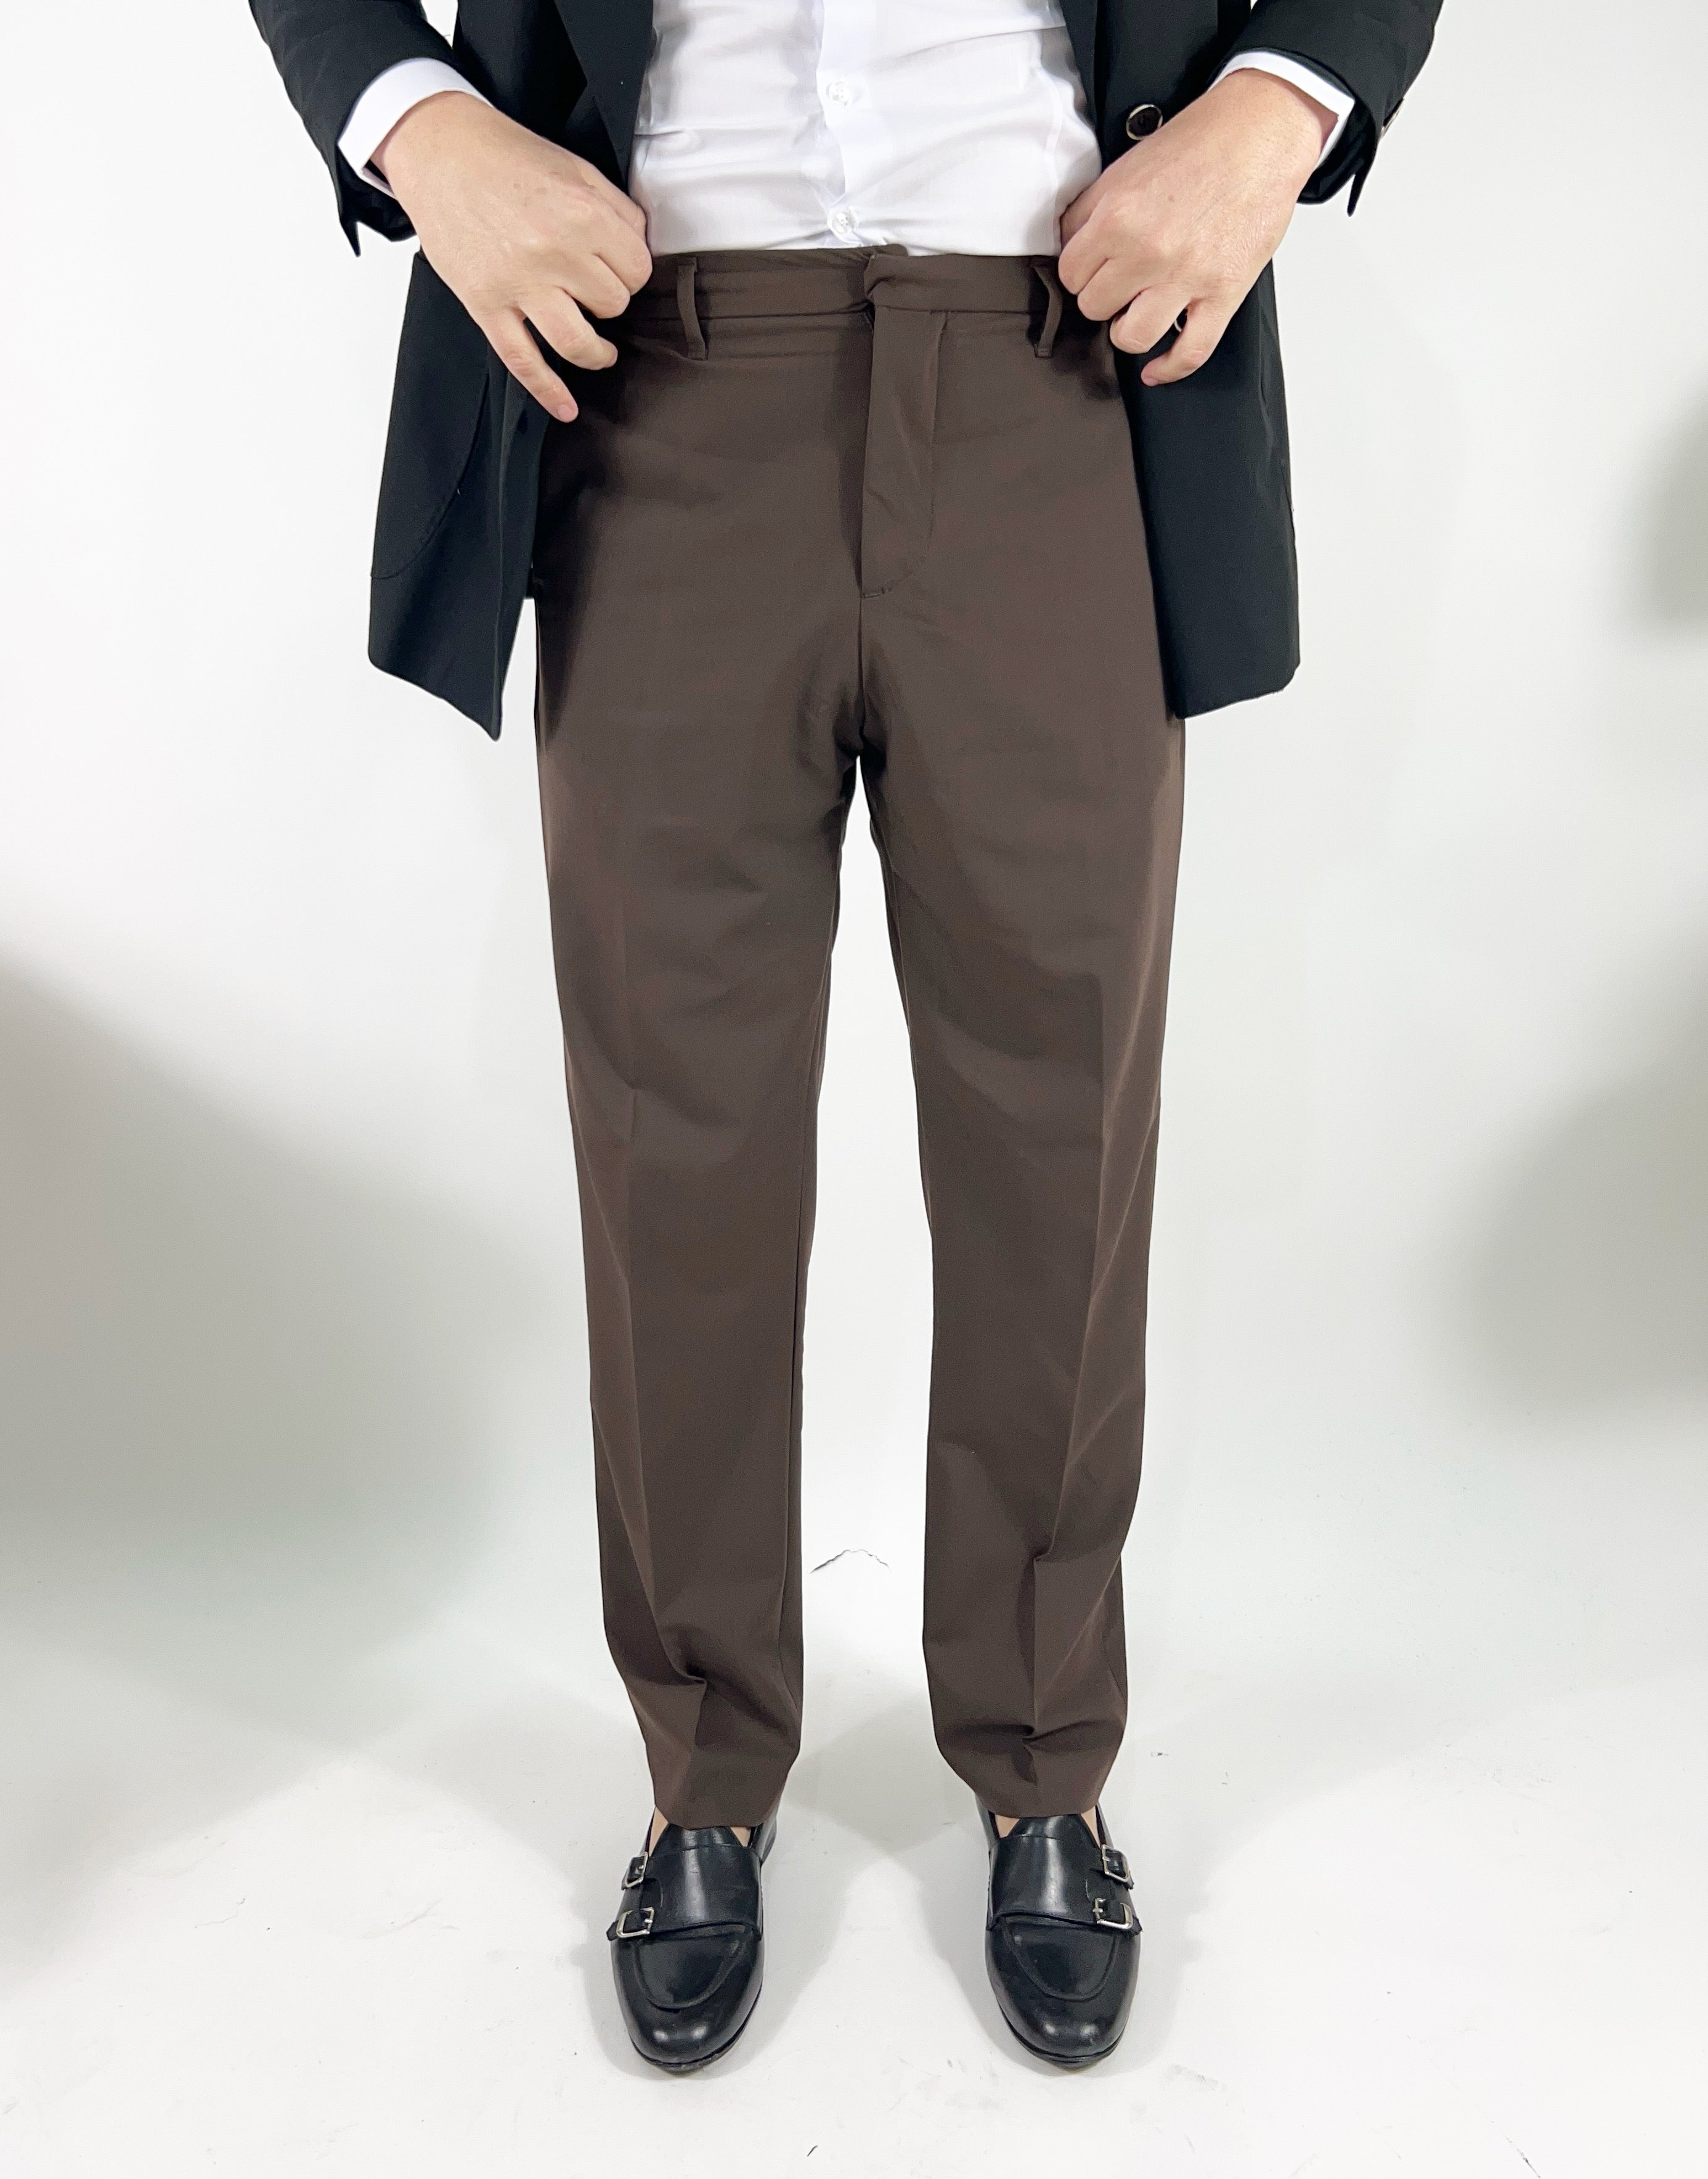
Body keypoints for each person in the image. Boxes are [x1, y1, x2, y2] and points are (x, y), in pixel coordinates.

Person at [249, 0, 1440, 2072]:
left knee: (1059, 1125)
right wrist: (423, 126)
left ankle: (1046, 1759)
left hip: (1059, 362)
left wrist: (1278, 105)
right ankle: (702, 1775)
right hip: (651, 376)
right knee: (673, 1134)